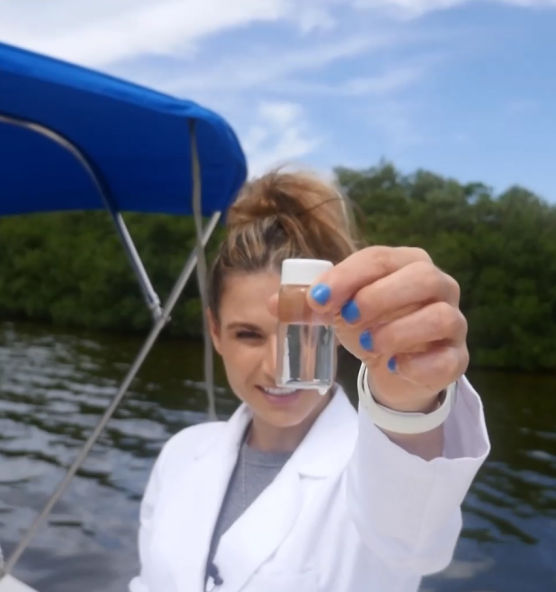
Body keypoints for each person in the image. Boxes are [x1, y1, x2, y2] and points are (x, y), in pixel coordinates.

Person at [128, 170, 490, 592]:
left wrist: (410, 390)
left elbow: (412, 541)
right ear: (214, 331)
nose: (275, 368)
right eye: (248, 334)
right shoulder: (181, 453)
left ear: (336, 331)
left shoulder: (377, 467)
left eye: (300, 334)